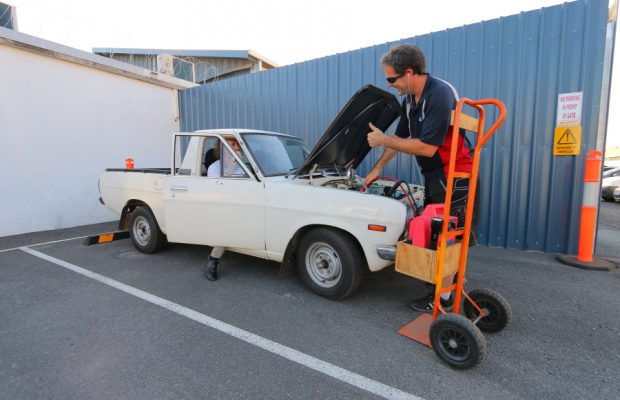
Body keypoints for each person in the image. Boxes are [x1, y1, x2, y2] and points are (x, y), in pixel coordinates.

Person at [365, 44, 476, 312]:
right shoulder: (409, 102)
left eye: (392, 79)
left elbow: (427, 147)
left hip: (455, 174)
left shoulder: (438, 94)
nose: (390, 85)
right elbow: (400, 140)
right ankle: (444, 286)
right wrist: (378, 167)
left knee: (447, 235)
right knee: (437, 231)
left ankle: (444, 298)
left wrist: (382, 139)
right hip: (435, 175)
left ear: (410, 73)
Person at [204, 137, 245, 281]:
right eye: (232, 144)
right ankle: (213, 260)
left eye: (237, 144)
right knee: (227, 228)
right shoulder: (214, 167)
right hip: (220, 208)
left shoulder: (243, 167)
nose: (236, 147)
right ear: (223, 148)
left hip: (241, 205)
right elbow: (220, 189)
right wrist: (233, 164)